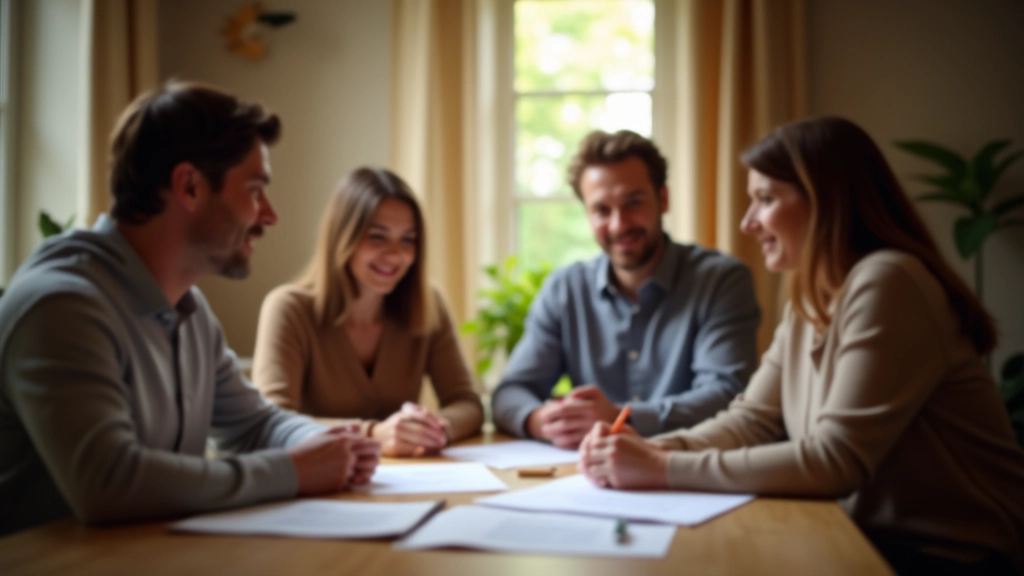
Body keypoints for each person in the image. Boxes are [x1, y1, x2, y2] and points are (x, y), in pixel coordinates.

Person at [578, 117, 1024, 574]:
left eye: (765, 200)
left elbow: (836, 460)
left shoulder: (889, 281)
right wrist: (647, 449)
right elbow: (751, 421)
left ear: (827, 201)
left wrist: (660, 468)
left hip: (952, 558)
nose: (747, 223)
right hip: (866, 538)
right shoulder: (811, 295)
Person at [0, 81, 380, 537]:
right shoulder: (62, 307)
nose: (270, 215)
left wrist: (327, 446)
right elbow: (107, 482)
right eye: (255, 189)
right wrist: (292, 471)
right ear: (190, 187)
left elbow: (253, 424)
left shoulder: (188, 308)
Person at [491, 130, 762, 449]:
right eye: (602, 210)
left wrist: (622, 417)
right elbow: (510, 391)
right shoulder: (565, 289)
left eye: (633, 202)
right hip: (590, 478)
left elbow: (727, 394)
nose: (619, 224)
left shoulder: (721, 281)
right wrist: (541, 420)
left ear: (663, 199)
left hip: (687, 471)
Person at [252, 167, 483, 457]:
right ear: (342, 237)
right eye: (377, 236)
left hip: (405, 481)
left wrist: (435, 428)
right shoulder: (289, 308)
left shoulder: (429, 302)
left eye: (408, 240)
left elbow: (467, 403)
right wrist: (373, 433)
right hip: (320, 484)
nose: (395, 254)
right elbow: (271, 423)